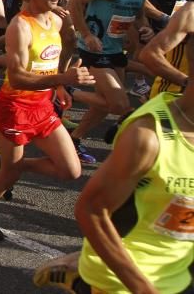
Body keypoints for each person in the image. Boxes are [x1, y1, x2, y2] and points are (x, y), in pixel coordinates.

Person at [34, 66, 193, 293]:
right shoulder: (147, 135)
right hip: (125, 281)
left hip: (179, 269)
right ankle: (82, 278)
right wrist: (142, 289)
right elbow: (91, 209)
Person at [0, 0, 94, 241]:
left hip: (43, 105)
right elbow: (19, 77)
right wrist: (64, 80)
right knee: (8, 177)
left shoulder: (58, 19)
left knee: (71, 170)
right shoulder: (20, 27)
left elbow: (65, 49)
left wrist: (61, 81)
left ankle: (15, 164)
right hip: (15, 107)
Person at [68, 0, 153, 165]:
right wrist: (86, 33)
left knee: (103, 105)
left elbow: (139, 13)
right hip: (94, 49)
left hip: (116, 49)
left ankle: (75, 139)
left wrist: (145, 27)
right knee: (120, 104)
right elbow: (76, 1)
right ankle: (66, 92)